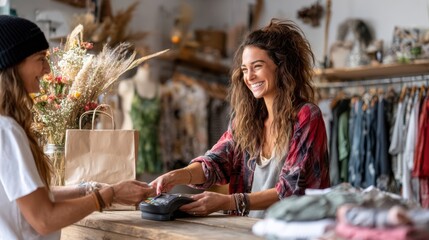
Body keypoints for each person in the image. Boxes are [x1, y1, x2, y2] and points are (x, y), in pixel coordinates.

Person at [150, 18, 330, 218]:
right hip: (245, 231)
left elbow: (292, 189)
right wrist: (177, 176)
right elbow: (216, 162)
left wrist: (228, 201)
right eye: (245, 69)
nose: (249, 76)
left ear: (281, 67)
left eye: (257, 66)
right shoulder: (245, 120)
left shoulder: (306, 116)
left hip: (293, 231)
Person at [0, 15, 154, 239]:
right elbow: (44, 219)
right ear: (14, 63)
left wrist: (88, 188)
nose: (47, 70)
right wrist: (108, 195)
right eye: (40, 58)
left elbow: (29, 196)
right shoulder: (7, 131)